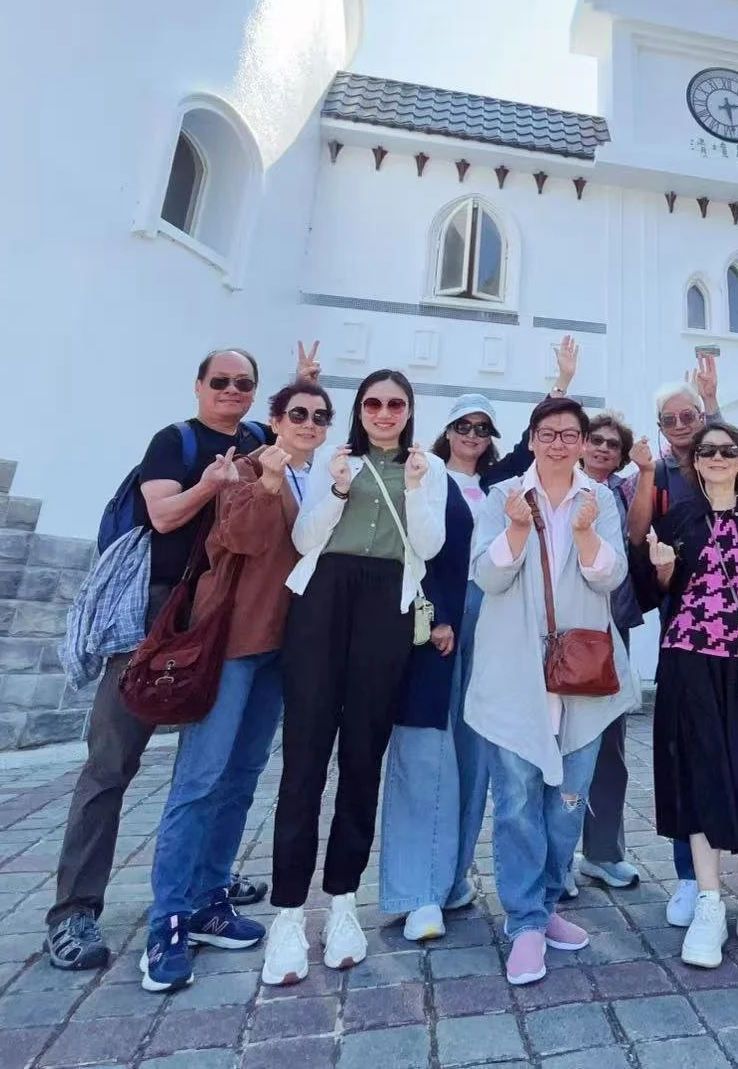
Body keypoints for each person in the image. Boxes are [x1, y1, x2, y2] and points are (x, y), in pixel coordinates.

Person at [45, 345, 307, 971]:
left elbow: (290, 437)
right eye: (221, 381)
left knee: (223, 766)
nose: (232, 390)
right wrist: (208, 485)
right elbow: (162, 516)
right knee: (112, 763)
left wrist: (308, 388)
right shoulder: (175, 442)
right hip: (155, 619)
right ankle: (75, 910)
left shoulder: (253, 436)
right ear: (198, 386)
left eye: (244, 382)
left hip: (224, 621)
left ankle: (202, 883)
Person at [378, 343, 580, 943]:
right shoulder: (424, 472)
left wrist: (561, 382)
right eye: (462, 425)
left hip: (491, 616)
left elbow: (540, 444)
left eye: (481, 428)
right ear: (446, 431)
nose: (471, 435)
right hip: (436, 621)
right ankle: (420, 889)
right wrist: (435, 614)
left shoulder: (500, 483)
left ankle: (456, 875)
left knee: (477, 754)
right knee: (427, 746)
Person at [140, 381, 332, 991]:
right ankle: (166, 919)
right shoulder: (245, 470)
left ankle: (208, 897)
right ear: (274, 421)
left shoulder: (320, 480)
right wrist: (267, 484)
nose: (308, 423)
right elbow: (240, 541)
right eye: (296, 414)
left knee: (241, 780)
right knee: (199, 780)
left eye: (319, 416)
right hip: (234, 647)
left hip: (282, 651)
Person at [262, 369, 447, 987]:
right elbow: (303, 536)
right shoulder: (334, 461)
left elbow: (429, 544)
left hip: (385, 608)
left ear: (410, 410)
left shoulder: (429, 469)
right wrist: (338, 491)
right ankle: (288, 912)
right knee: (305, 757)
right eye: (373, 403)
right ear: (360, 411)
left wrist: (417, 488)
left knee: (364, 756)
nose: (385, 413)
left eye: (396, 404)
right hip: (322, 598)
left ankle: (343, 902)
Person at [465, 397, 636, 986]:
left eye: (570, 433)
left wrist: (587, 535)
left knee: (567, 800)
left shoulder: (601, 499)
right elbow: (486, 576)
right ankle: (524, 920)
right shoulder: (503, 497)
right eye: (548, 433)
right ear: (532, 439)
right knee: (515, 800)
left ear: (584, 442)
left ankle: (545, 899)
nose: (560, 443)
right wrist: (515, 526)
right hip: (514, 671)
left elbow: (611, 577)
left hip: (582, 672)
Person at [623, 355, 738, 928]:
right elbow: (655, 584)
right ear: (693, 462)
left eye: (728, 451)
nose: (717, 459)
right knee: (695, 765)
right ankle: (704, 896)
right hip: (689, 658)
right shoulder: (679, 519)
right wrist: (664, 569)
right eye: (708, 452)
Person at [574, 413, 647, 891]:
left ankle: (602, 852)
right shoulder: (556, 483)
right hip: (558, 628)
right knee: (555, 745)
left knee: (609, 746)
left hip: (610, 629)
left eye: (611, 445)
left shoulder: (623, 492)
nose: (602, 449)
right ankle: (556, 856)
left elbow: (638, 536)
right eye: (595, 441)